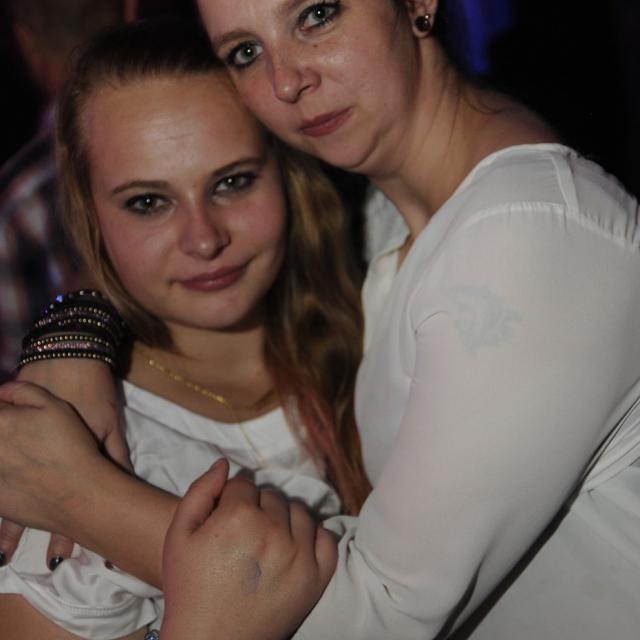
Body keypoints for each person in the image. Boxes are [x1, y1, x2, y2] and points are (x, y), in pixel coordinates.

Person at [1, 0, 640, 638]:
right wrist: (74, 325)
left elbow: (383, 611)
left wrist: (80, 495)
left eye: (317, 14)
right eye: (246, 51)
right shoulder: (387, 219)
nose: (285, 82)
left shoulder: (522, 234)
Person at [0, 18, 369, 639]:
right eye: (148, 202)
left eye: (232, 182)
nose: (204, 239)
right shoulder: (81, 451)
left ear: (286, 170)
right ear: (90, 216)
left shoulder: (382, 311)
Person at [0, 0, 127, 380]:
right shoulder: (198, 129)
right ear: (131, 10)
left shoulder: (17, 200)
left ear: (24, 40)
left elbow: (17, 383)